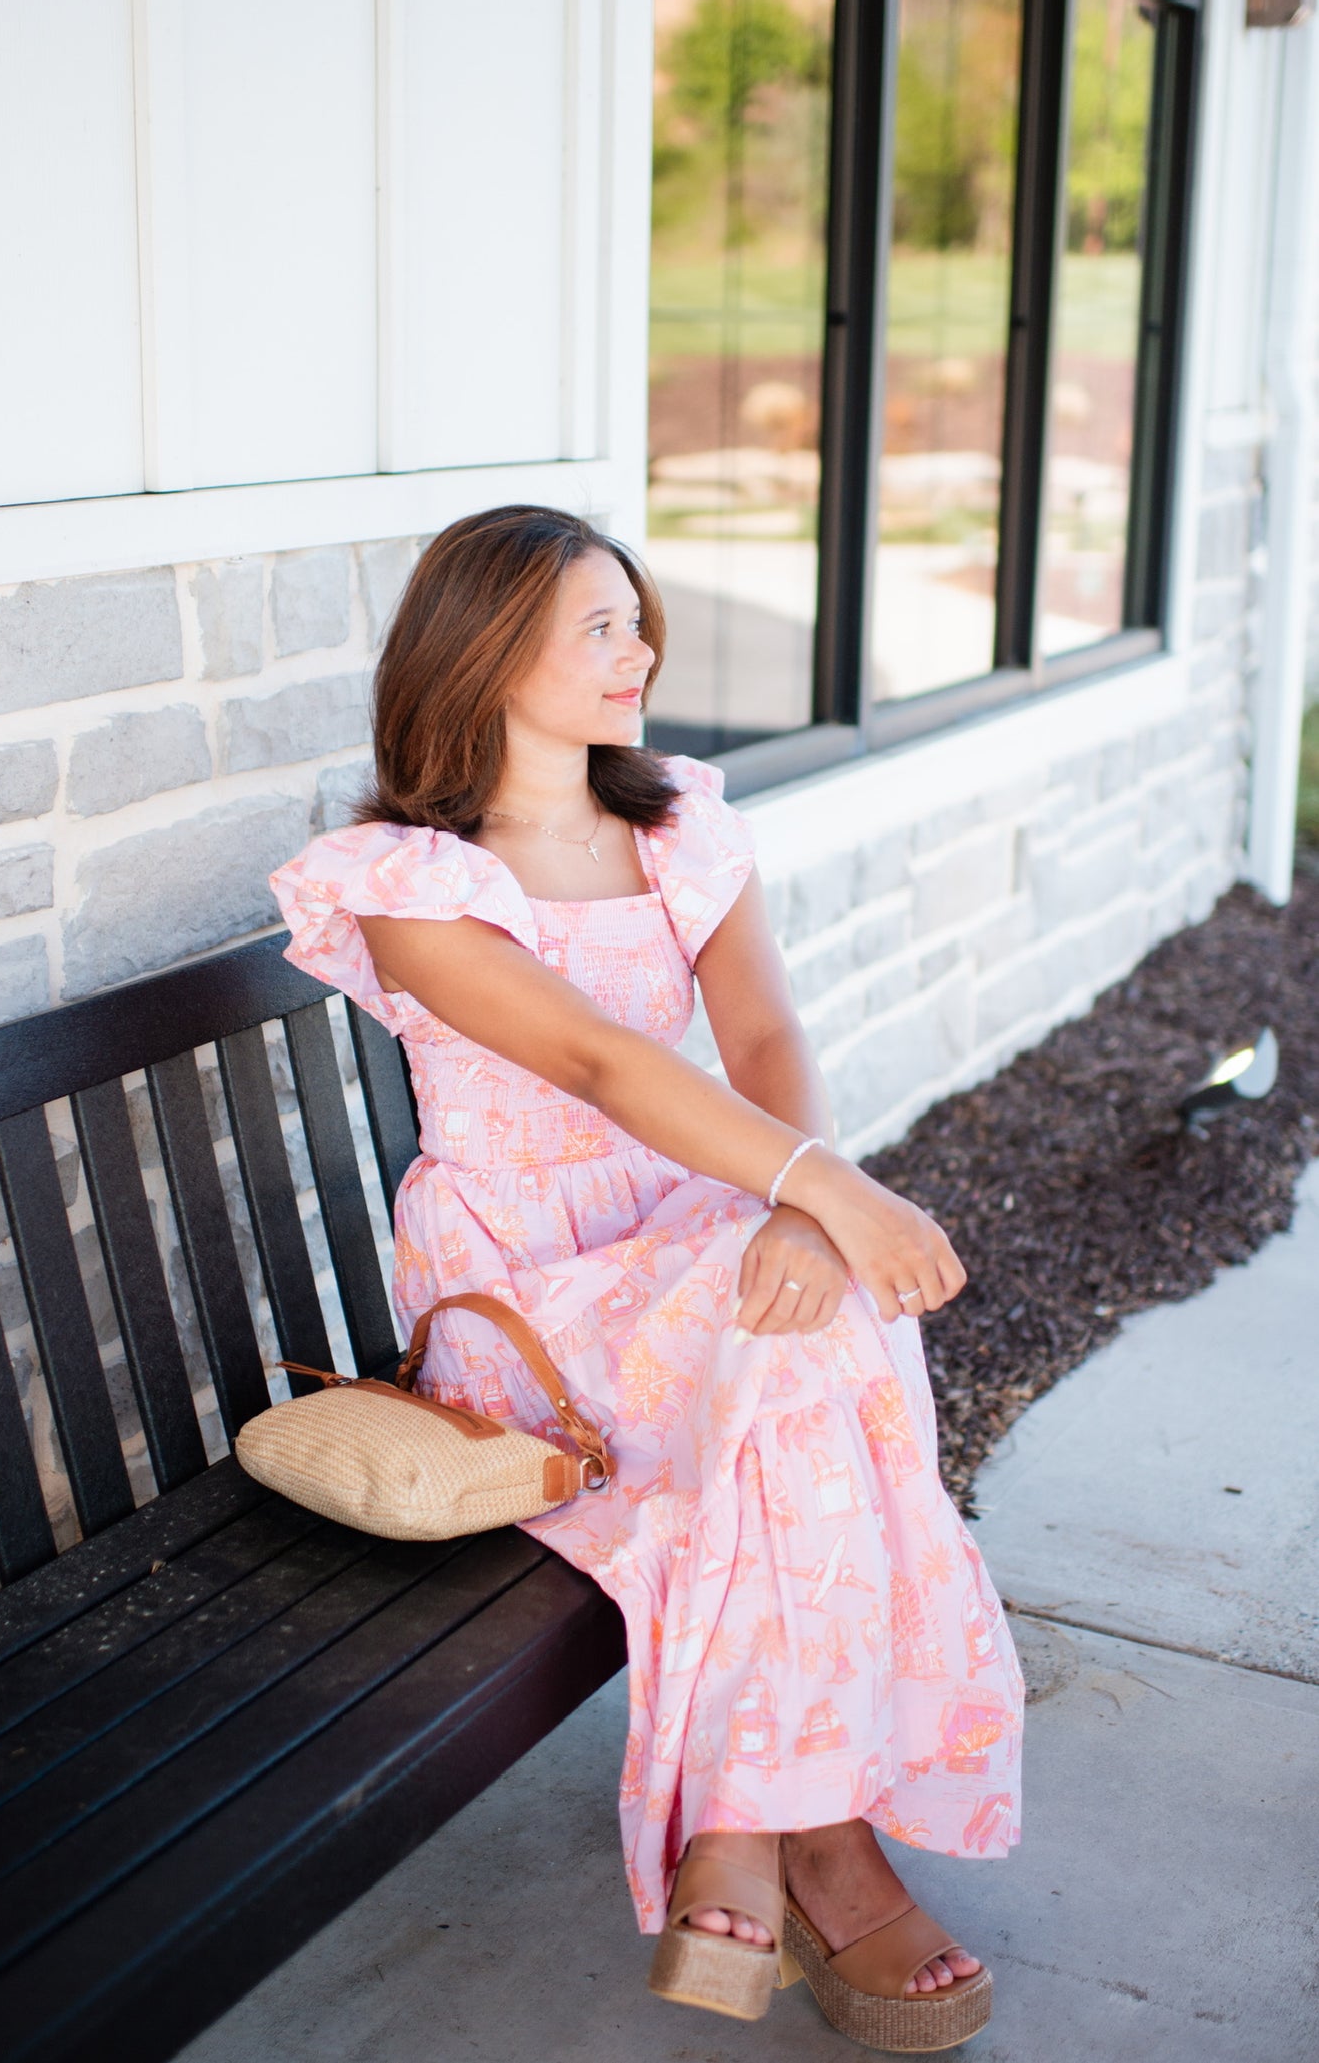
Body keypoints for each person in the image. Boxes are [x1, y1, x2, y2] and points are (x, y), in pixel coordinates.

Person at [271, 504, 1023, 2051]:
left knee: (800, 1341)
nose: (643, 652)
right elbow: (599, 1059)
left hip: (690, 1231)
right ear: (483, 654)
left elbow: (759, 1041)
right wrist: (818, 1188)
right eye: (598, 628)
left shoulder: (679, 822)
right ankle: (822, 1840)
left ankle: (754, 1820)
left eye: (636, 617)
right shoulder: (415, 881)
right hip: (524, 1296)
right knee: (803, 1361)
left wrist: (804, 1222)